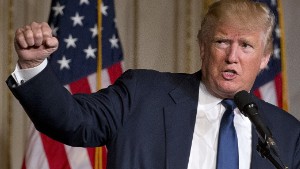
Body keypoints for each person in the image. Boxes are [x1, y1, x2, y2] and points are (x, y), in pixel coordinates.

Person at [7, 0, 299, 168]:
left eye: (246, 46)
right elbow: (72, 120)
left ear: (263, 58)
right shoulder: (142, 95)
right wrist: (34, 67)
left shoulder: (287, 135)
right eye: (222, 41)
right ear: (202, 46)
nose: (232, 56)